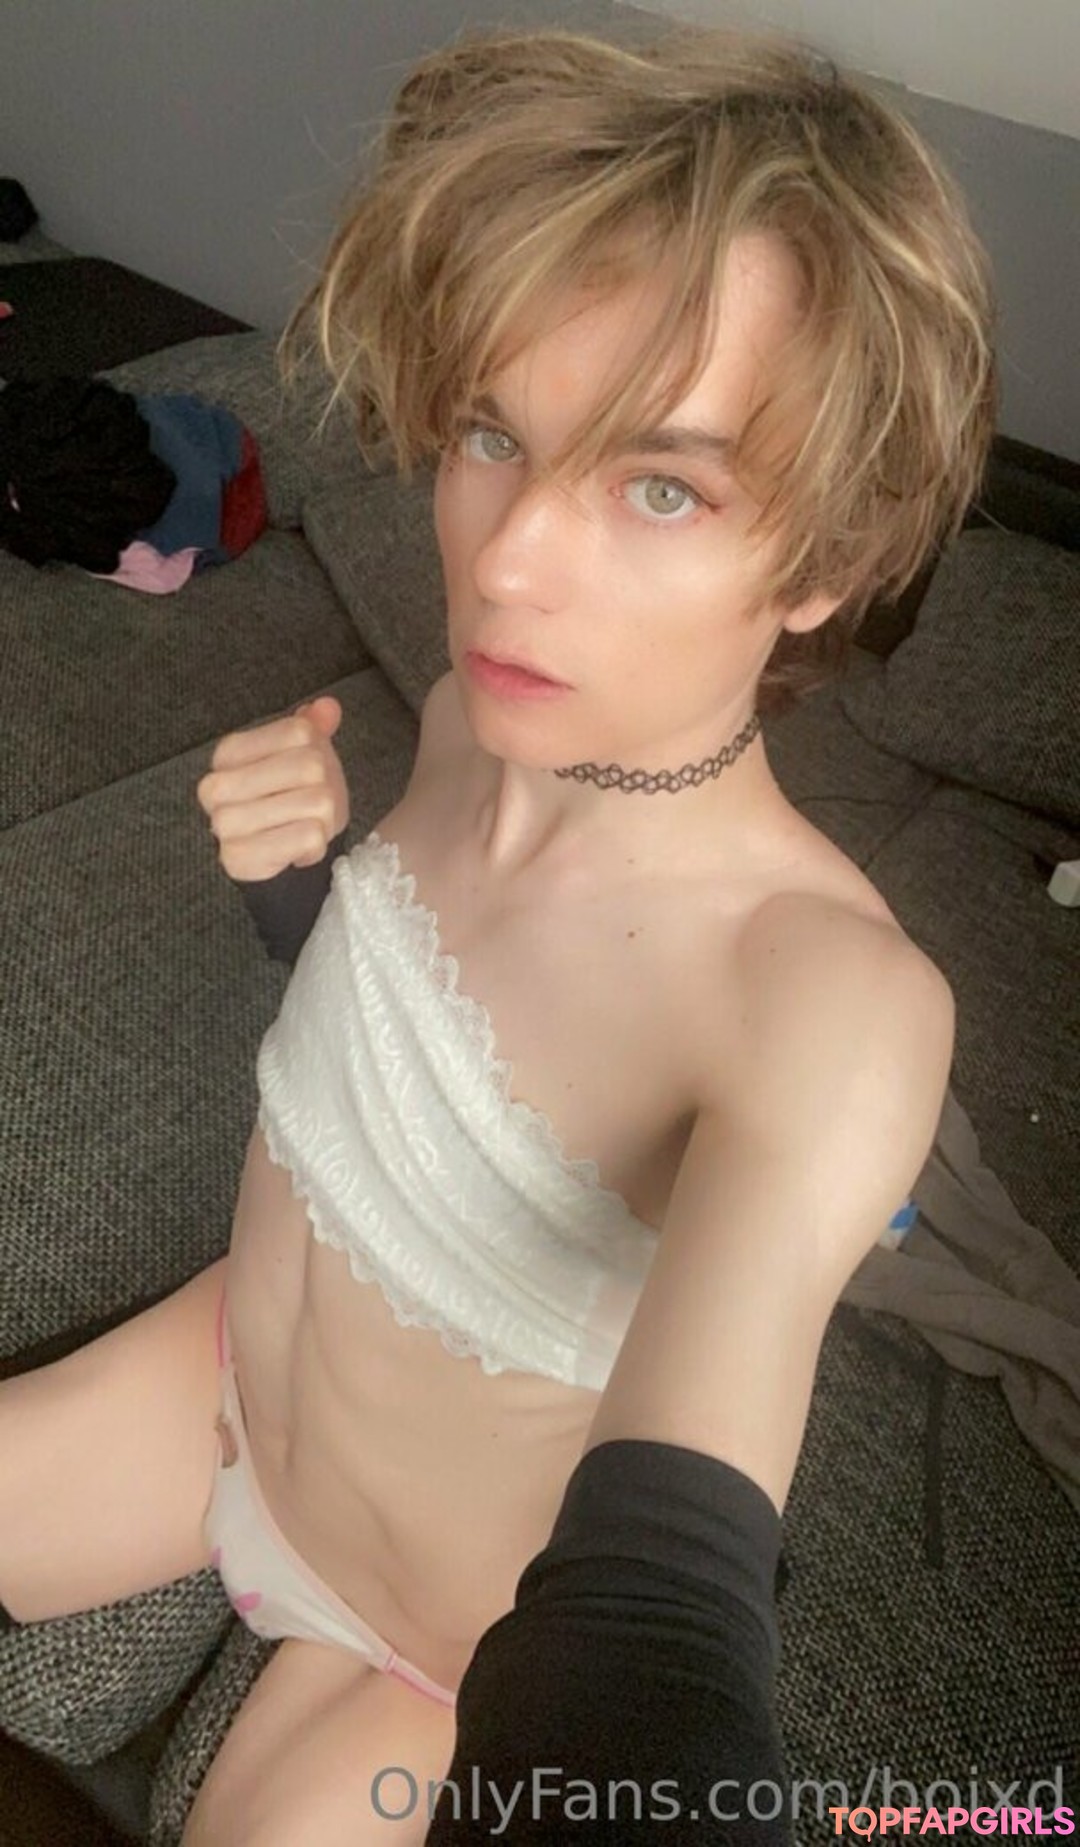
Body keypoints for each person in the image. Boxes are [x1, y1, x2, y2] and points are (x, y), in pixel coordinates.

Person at [0, 20, 996, 1844]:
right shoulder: (474, 723)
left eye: (662, 484)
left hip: (442, 1644)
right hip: (223, 1386)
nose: (507, 558)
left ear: (828, 560)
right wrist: (294, 886)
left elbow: (664, 1617)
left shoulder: (831, 1006)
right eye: (491, 433)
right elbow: (423, 1058)